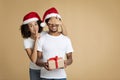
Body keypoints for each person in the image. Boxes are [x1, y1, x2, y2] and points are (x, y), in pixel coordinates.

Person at [20, 11, 67, 80]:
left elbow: (64, 35)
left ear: (39, 25)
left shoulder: (44, 34)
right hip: (34, 70)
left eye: (36, 24)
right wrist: (36, 40)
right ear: (27, 28)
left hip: (46, 70)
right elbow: (33, 60)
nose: (34, 27)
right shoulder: (26, 41)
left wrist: (60, 23)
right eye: (31, 26)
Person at [36, 7, 74, 80]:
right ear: (47, 23)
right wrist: (44, 64)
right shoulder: (42, 39)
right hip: (45, 76)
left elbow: (70, 59)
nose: (53, 25)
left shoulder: (66, 39)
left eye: (56, 23)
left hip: (61, 77)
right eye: (51, 23)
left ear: (59, 23)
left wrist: (65, 63)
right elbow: (37, 60)